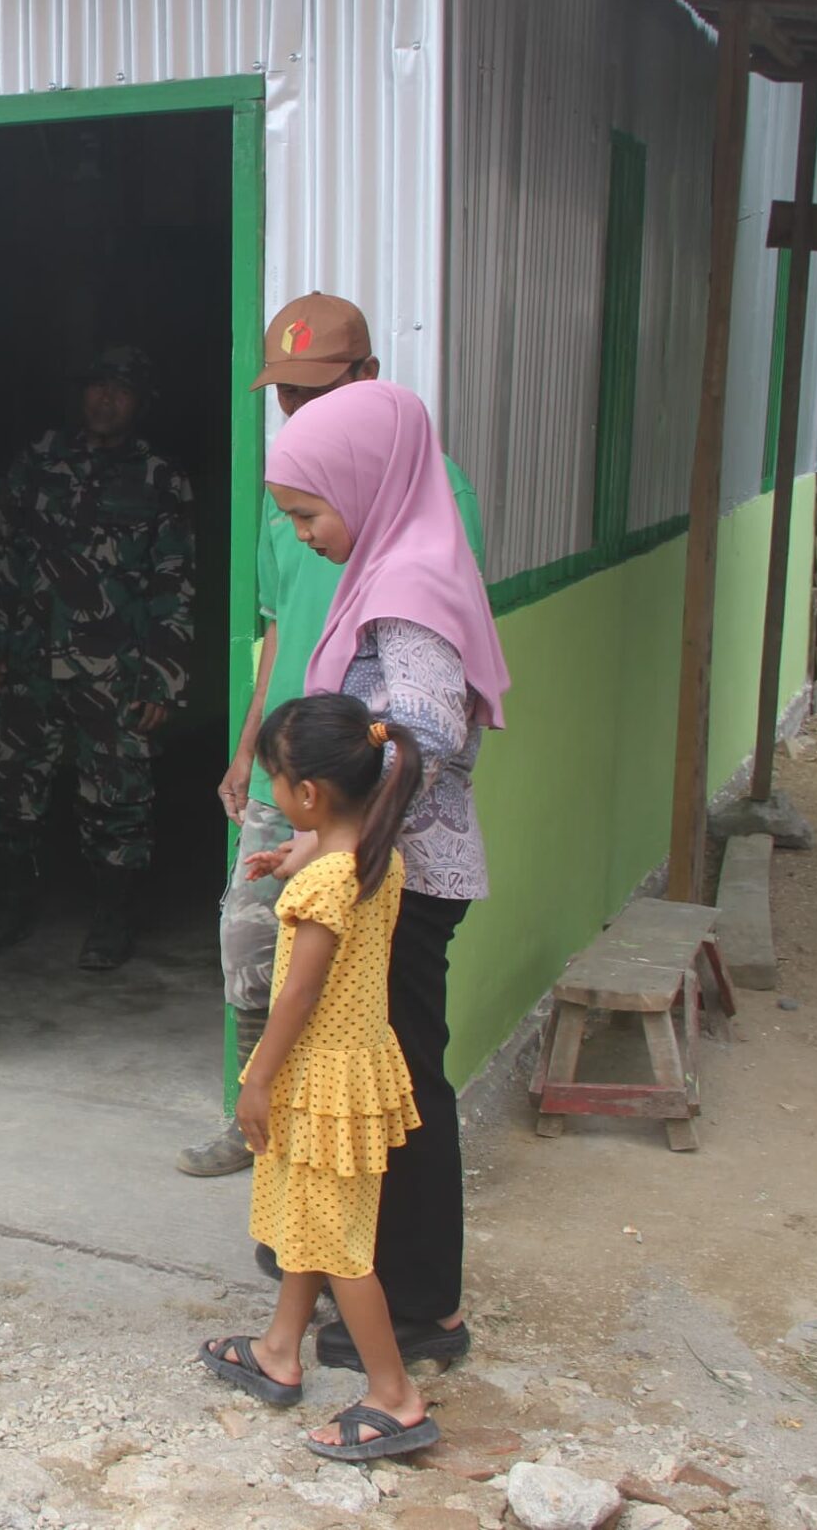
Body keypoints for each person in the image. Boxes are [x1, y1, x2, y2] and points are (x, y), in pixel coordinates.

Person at [180, 295, 485, 1177]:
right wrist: (248, 750)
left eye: (320, 390)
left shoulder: (428, 491)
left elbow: (436, 680)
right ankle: (257, 1120)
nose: (302, 412)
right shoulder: (291, 493)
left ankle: (332, 1158)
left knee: (349, 980)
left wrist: (350, 819)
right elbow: (277, 630)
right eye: (286, 396)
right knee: (251, 943)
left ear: (368, 380)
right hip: (294, 772)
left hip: (365, 783)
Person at [254, 379, 511, 1375]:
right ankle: (389, 1290)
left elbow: (428, 737)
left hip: (403, 882)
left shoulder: (406, 588)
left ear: (367, 482)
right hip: (384, 870)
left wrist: (344, 851)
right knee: (392, 1077)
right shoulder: (400, 564)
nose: (308, 533)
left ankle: (415, 1310)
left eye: (311, 512)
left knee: (396, 1084)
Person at [197, 691, 436, 1461]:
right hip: (353, 1067)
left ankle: (395, 1397)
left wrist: (255, 1079)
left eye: (273, 777)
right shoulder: (372, 854)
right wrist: (289, 857)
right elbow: (327, 855)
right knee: (311, 1214)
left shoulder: (326, 885)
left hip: (318, 1073)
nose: (267, 790)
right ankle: (278, 1348)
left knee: (340, 1246)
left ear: (309, 795)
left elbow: (296, 993)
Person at [0, 346, 198, 970]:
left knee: (118, 803)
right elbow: (3, 554)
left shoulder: (159, 477)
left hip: (115, 671)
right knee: (5, 791)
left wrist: (164, 674)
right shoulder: (39, 461)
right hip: (30, 662)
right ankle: (9, 908)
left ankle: (112, 923)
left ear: (141, 400)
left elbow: (172, 581)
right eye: (96, 385)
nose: (105, 399)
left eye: (120, 389)